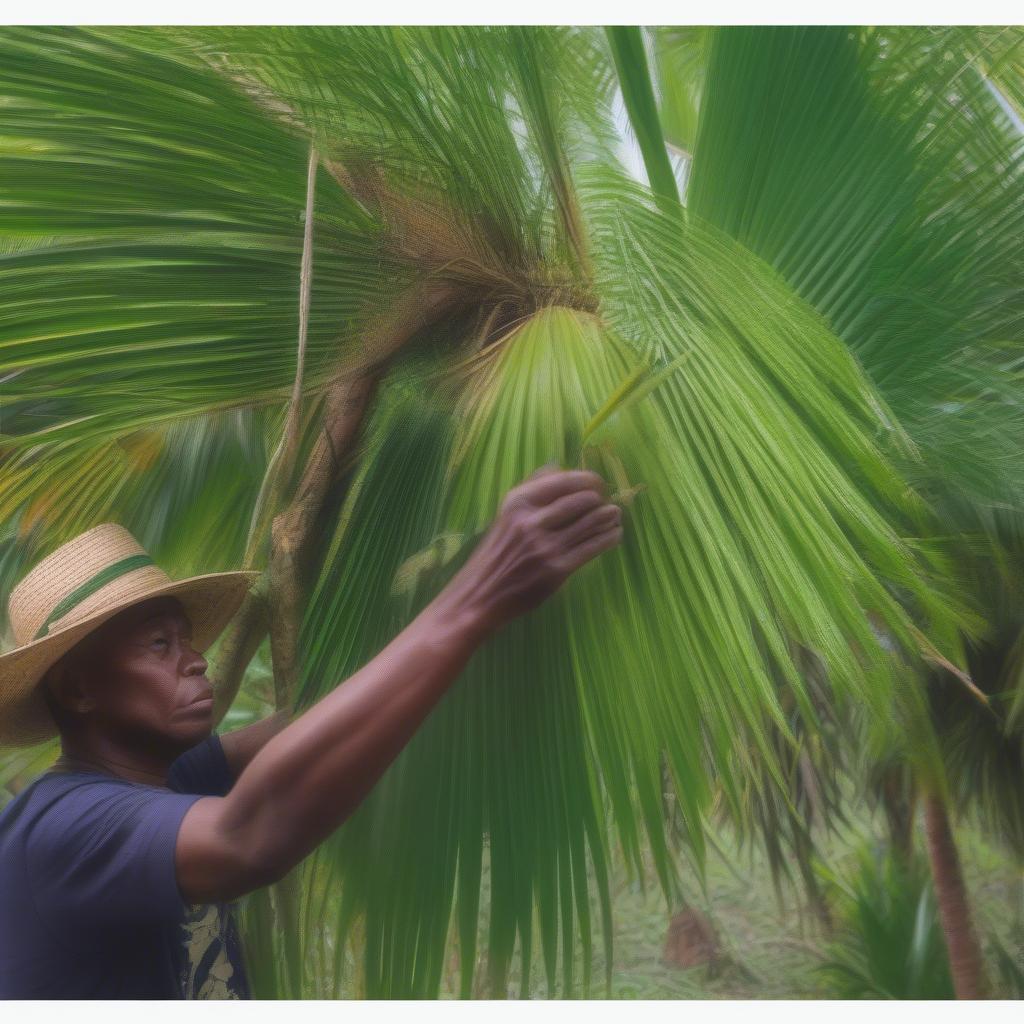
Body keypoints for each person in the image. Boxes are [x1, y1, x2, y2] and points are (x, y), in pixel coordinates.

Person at [0, 464, 623, 998]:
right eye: (160, 645)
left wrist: (444, 593)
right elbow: (252, 834)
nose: (194, 659)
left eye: (188, 640)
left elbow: (305, 726)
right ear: (80, 690)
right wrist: (474, 600)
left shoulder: (165, 778)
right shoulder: (64, 827)